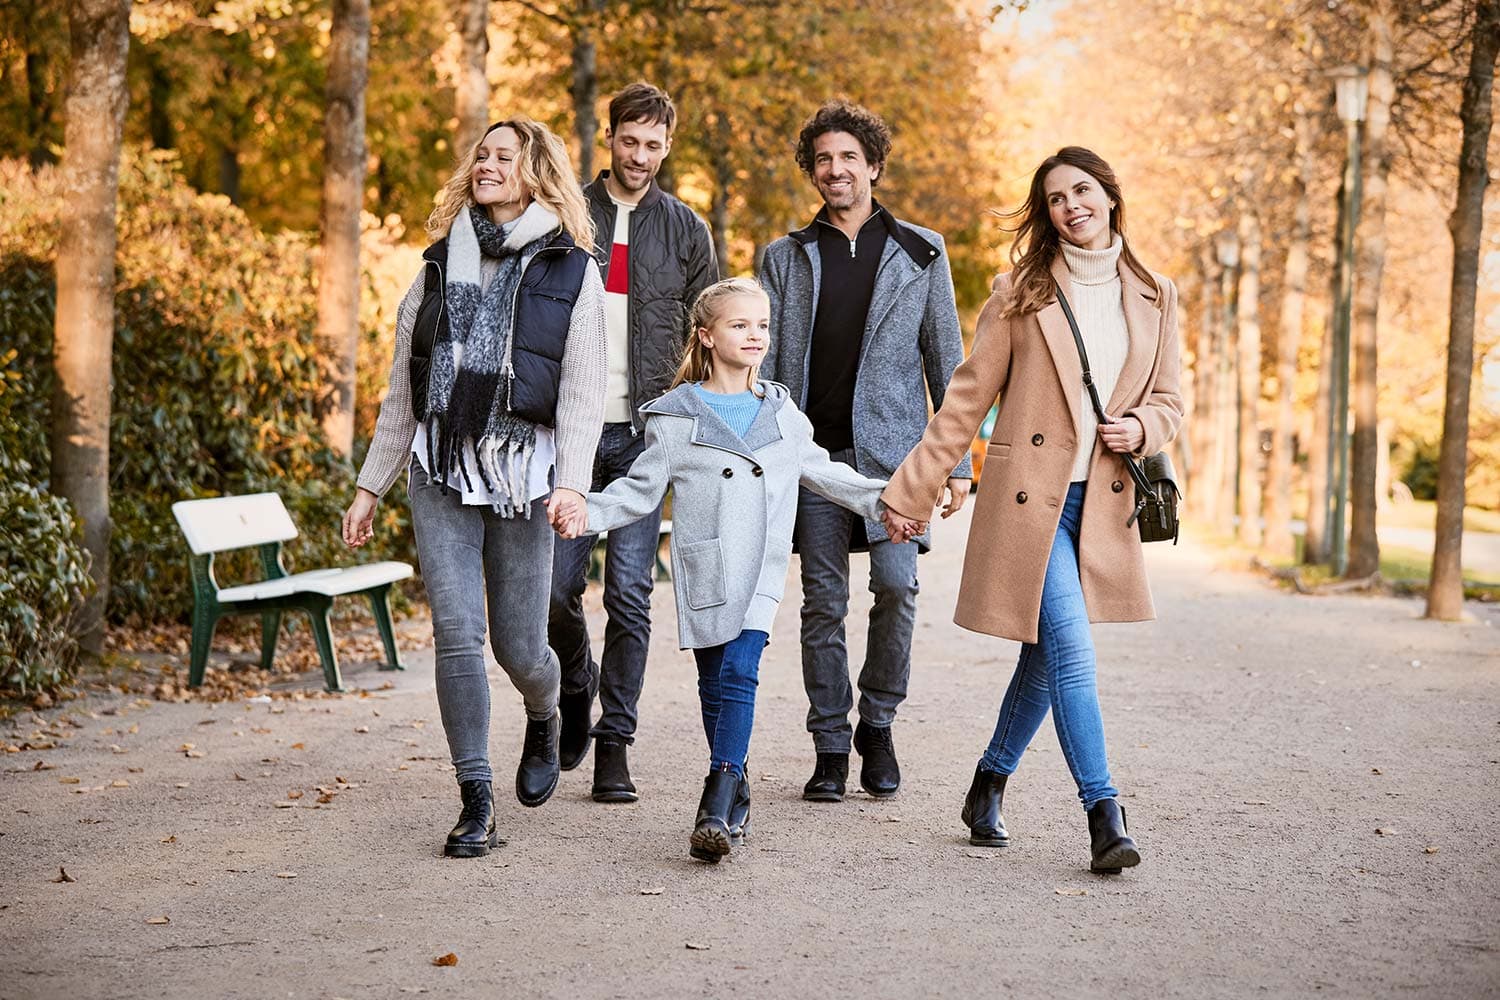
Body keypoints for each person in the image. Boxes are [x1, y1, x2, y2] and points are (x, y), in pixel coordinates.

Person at [879, 147, 1183, 873]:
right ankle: (1104, 815)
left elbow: (1170, 401)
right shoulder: (1019, 292)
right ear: (1045, 214)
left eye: (1082, 190)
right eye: (1054, 198)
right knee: (1073, 654)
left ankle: (988, 783)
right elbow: (964, 401)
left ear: (1109, 195)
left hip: (1101, 508)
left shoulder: (1156, 293)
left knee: (1047, 661)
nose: (1071, 205)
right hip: (1029, 508)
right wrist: (911, 491)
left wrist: (1142, 429)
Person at [548, 278, 901, 863]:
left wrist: (890, 500)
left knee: (739, 671)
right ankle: (734, 793)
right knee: (714, 683)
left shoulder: (783, 413)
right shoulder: (673, 417)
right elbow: (638, 493)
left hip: (759, 567)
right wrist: (586, 510)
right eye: (740, 325)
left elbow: (824, 472)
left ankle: (717, 791)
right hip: (706, 566)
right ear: (707, 336)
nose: (756, 336)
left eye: (762, 325)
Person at [342, 118, 607, 858]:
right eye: (481, 155)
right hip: (442, 469)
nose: (486, 164)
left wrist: (572, 486)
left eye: (503, 156)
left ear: (536, 173)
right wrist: (370, 486)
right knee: (457, 635)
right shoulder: (434, 266)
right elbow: (404, 391)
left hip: (523, 478)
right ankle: (476, 795)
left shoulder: (571, 269)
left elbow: (583, 394)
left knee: (521, 648)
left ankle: (551, 708)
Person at [758, 100, 971, 803]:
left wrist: (957, 463)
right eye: (823, 159)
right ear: (812, 172)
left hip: (896, 461)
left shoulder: (922, 251)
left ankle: (876, 723)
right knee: (822, 600)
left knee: (897, 587)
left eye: (849, 157)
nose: (836, 169)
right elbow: (762, 364)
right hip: (816, 458)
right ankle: (829, 744)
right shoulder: (784, 258)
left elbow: (950, 363)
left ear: (874, 165)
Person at [550, 82, 719, 803]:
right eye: (630, 141)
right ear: (609, 136)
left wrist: (704, 430)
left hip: (646, 439)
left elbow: (709, 336)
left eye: (654, 144)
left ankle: (615, 740)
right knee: (556, 591)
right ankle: (574, 685)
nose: (641, 155)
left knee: (629, 594)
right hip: (571, 434)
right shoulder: (565, 217)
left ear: (667, 147)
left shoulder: (686, 230)